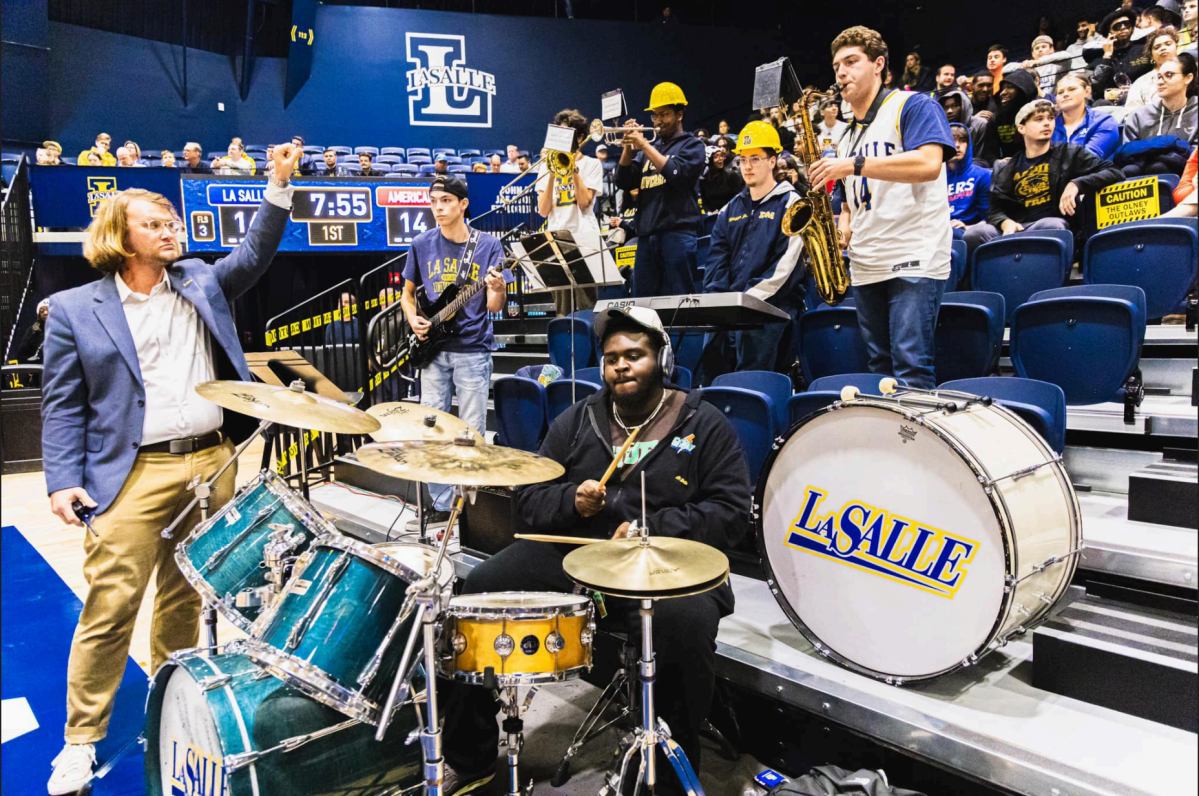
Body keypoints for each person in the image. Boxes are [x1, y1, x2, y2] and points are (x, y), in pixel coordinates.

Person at [41, 144, 303, 795]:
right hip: (127, 474)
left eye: (172, 224)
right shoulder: (76, 309)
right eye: (155, 224)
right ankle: (80, 741)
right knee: (110, 606)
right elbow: (62, 403)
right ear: (119, 237)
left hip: (210, 465)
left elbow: (255, 253)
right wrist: (61, 479)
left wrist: (277, 185)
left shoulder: (200, 282)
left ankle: (168, 708)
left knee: (187, 596)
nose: (171, 232)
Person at [438, 305, 750, 796]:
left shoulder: (702, 422)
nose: (621, 366)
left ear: (661, 359)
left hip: (671, 570)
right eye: (611, 359)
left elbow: (731, 513)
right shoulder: (577, 420)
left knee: (682, 623)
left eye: (634, 355)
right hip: (581, 558)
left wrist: (651, 528)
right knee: (478, 590)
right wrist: (573, 502)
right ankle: (468, 753)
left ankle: (667, 776)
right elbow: (530, 502)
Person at [809, 25, 955, 391]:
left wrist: (853, 164)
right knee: (879, 369)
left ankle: (915, 447)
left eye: (852, 61)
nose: (842, 72)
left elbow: (928, 164)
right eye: (837, 65)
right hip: (866, 260)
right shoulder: (843, 134)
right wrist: (842, 225)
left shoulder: (914, 105)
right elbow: (848, 195)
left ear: (878, 65)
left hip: (914, 255)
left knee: (911, 366)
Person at [399, 175, 506, 523]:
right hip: (432, 349)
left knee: (468, 431)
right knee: (432, 429)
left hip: (472, 350)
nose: (438, 208)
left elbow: (493, 306)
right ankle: (442, 505)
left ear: (462, 204)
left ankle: (468, 507)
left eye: (445, 201)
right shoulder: (421, 244)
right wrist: (413, 318)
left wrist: (498, 288)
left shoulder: (488, 245)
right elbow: (408, 293)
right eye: (433, 202)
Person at [703, 121, 806, 372]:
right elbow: (716, 260)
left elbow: (783, 268)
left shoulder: (792, 204)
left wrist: (745, 302)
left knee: (751, 380)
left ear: (773, 161)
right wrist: (721, 303)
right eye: (743, 159)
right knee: (713, 370)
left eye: (755, 159)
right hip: (730, 309)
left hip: (770, 310)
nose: (747, 166)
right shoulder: (730, 209)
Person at [965, 99, 1123, 250]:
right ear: (1021, 128)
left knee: (1052, 225)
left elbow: (1114, 171)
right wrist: (1005, 222)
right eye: (1039, 119)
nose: (1047, 123)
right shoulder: (1006, 166)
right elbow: (994, 210)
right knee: (974, 234)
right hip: (1017, 227)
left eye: (1051, 118)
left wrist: (1076, 184)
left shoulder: (1069, 153)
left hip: (1049, 224)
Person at [614, 82, 706, 298]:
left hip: (678, 235)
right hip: (647, 237)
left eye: (663, 114)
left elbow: (676, 174)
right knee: (642, 303)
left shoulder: (692, 145)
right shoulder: (651, 150)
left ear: (679, 115)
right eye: (654, 116)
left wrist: (644, 145)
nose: (657, 121)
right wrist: (628, 146)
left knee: (680, 303)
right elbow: (623, 180)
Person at [535, 109, 612, 315]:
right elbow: (543, 211)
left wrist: (572, 169)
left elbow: (586, 202)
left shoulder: (592, 164)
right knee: (562, 309)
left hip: (584, 240)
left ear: (579, 137)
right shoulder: (545, 168)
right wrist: (552, 172)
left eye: (566, 134)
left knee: (586, 305)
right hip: (556, 241)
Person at [946, 124, 992, 259]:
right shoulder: (934, 177)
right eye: (952, 140)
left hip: (966, 231)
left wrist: (967, 227)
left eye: (962, 140)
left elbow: (989, 218)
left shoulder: (982, 175)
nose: (957, 145)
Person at [1052, 73, 1121, 159]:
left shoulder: (1104, 121)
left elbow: (1089, 158)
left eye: (1072, 89)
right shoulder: (1048, 126)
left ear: (1087, 91)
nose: (1065, 94)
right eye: (1060, 92)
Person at [1094, 7, 1155, 101]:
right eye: (1117, 26)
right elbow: (1097, 90)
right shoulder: (1101, 59)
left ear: (1132, 29)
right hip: (1115, 104)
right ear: (1109, 33)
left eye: (1127, 24)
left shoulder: (1145, 50)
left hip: (1146, 98)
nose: (1123, 27)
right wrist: (1107, 56)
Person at [1127, 26, 1181, 108]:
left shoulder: (1189, 74)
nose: (1163, 48)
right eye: (1157, 47)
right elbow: (1131, 115)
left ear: (1177, 48)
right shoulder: (1141, 83)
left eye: (1168, 44)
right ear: (1151, 56)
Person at [938, 88, 994, 166]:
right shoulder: (940, 129)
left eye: (954, 106)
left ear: (964, 106)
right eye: (945, 108)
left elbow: (984, 156)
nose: (949, 111)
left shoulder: (980, 124)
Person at [995, 68, 1040, 160]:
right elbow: (990, 153)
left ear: (1023, 90)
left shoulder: (1041, 113)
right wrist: (998, 162)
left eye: (1010, 87)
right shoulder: (996, 118)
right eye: (1002, 88)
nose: (1002, 93)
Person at [699, 145, 743, 213]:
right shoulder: (703, 180)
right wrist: (709, 212)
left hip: (732, 213)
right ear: (709, 160)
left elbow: (740, 198)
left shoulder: (731, 176)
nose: (720, 159)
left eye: (721, 155)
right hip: (713, 216)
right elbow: (704, 202)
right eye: (716, 156)